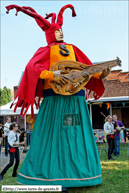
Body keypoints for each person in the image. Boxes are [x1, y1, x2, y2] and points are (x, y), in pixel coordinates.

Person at [6, 4, 110, 192]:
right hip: (54, 100)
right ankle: (49, 173)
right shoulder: (45, 51)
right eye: (56, 31)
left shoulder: (73, 49)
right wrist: (51, 75)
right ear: (49, 34)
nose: (60, 33)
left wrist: (100, 74)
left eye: (61, 30)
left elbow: (86, 68)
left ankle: (78, 174)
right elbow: (32, 68)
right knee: (51, 135)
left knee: (73, 133)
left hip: (74, 100)